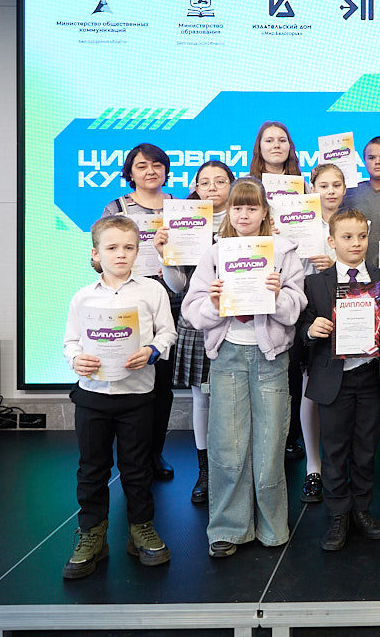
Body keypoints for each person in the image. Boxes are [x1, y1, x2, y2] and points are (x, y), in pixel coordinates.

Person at [182, 178, 306, 558]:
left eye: (252, 207)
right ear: (229, 211)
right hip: (228, 356)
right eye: (237, 207)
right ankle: (228, 528)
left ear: (265, 211)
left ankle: (272, 527)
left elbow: (296, 307)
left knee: (270, 446)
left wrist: (277, 294)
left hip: (271, 357)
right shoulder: (215, 253)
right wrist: (213, 302)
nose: (244, 214)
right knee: (228, 447)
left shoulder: (284, 252)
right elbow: (192, 310)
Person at [62, 215, 177, 578]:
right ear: (96, 253)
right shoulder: (82, 297)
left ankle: (141, 529)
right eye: (112, 248)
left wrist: (152, 351)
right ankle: (92, 535)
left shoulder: (152, 291)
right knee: (92, 469)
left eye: (129, 247)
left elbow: (167, 333)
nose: (121, 254)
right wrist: (75, 358)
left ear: (137, 251)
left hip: (137, 395)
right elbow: (70, 341)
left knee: (137, 467)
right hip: (92, 396)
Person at [299, 208, 380, 551]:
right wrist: (311, 329)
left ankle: (362, 510)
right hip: (335, 380)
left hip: (371, 376)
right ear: (332, 242)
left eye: (361, 236)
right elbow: (302, 327)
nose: (355, 243)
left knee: (366, 449)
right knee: (334, 449)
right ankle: (338, 514)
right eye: (347, 237)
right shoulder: (316, 283)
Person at [154, 160, 233, 505]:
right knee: (202, 397)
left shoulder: (245, 218)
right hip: (198, 319)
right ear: (196, 188)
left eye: (220, 181)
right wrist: (165, 256)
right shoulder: (183, 222)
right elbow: (178, 286)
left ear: (232, 184)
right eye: (205, 182)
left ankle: (234, 470)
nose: (212, 187)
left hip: (240, 319)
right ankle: (205, 472)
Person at [101, 143, 177, 481]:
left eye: (157, 165)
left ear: (166, 170)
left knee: (161, 383)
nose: (151, 171)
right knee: (127, 377)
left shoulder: (179, 206)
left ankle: (154, 453)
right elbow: (99, 258)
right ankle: (129, 456)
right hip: (127, 302)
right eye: (142, 165)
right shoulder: (116, 208)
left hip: (170, 299)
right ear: (130, 172)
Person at [247, 121, 307, 462]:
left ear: (290, 146)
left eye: (282, 140)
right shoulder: (247, 185)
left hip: (297, 276)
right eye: (268, 140)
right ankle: (261, 436)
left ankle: (289, 434)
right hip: (256, 281)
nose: (276, 145)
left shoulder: (304, 185)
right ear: (259, 146)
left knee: (292, 365)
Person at [295, 162, 347, 505]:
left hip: (348, 316)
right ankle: (313, 467)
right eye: (323, 185)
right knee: (309, 389)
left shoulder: (356, 223)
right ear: (312, 188)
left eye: (336, 185)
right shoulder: (299, 223)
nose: (330, 191)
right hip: (307, 310)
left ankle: (339, 466)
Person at [341, 136, 380, 269]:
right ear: (364, 160)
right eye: (371, 158)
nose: (377, 162)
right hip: (355, 269)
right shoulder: (349, 193)